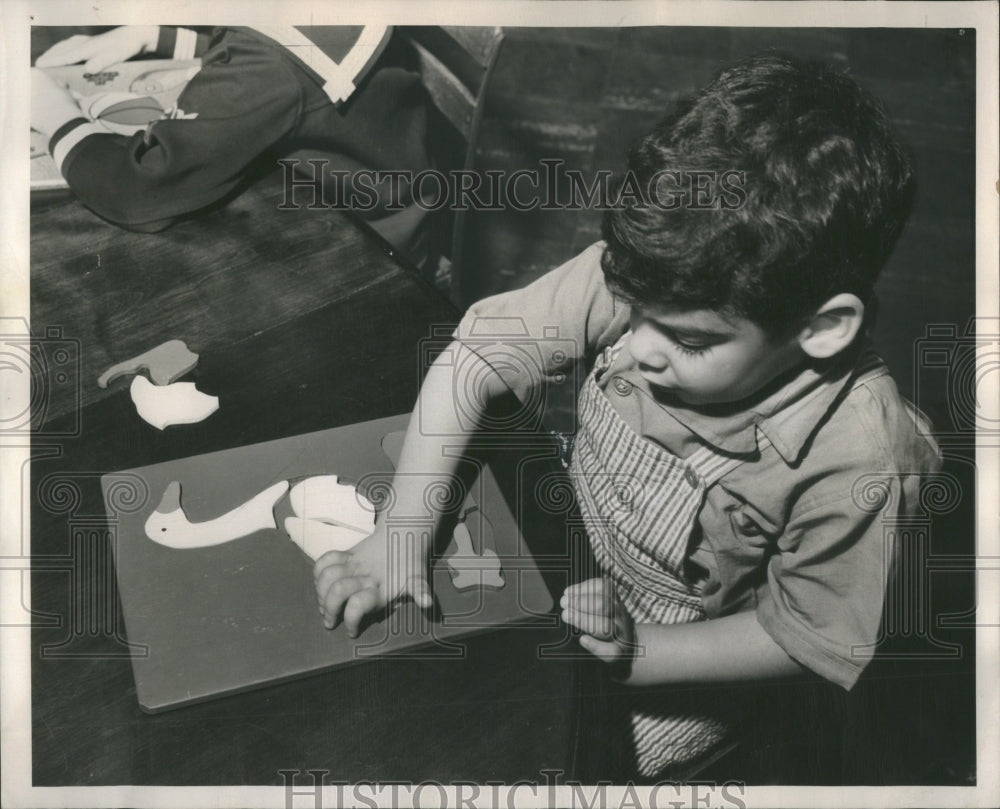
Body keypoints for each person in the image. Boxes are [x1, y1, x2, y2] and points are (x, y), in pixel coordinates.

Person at [312, 53, 942, 778]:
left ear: (822, 328)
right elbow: (474, 359)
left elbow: (801, 633)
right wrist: (403, 530)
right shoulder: (662, 274)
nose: (637, 346)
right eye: (629, 307)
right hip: (564, 537)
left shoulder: (861, 456)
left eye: (687, 339)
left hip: (677, 658)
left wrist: (638, 649)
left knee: (531, 764)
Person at [30, 25, 432, 265]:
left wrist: (55, 115)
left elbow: (141, 192)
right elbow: (269, 55)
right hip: (327, 199)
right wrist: (159, 38)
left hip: (359, 253)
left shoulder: (275, 65)